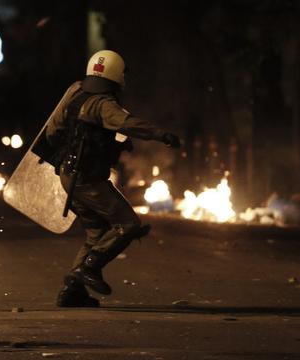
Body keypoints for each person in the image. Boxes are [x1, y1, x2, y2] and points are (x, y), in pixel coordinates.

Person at [46, 50, 181, 307]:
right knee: (128, 224)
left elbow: (52, 132)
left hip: (68, 174)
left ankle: (72, 292)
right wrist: (161, 134)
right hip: (87, 179)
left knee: (97, 231)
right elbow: (127, 123)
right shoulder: (103, 104)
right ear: (117, 75)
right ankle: (90, 266)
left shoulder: (75, 93)